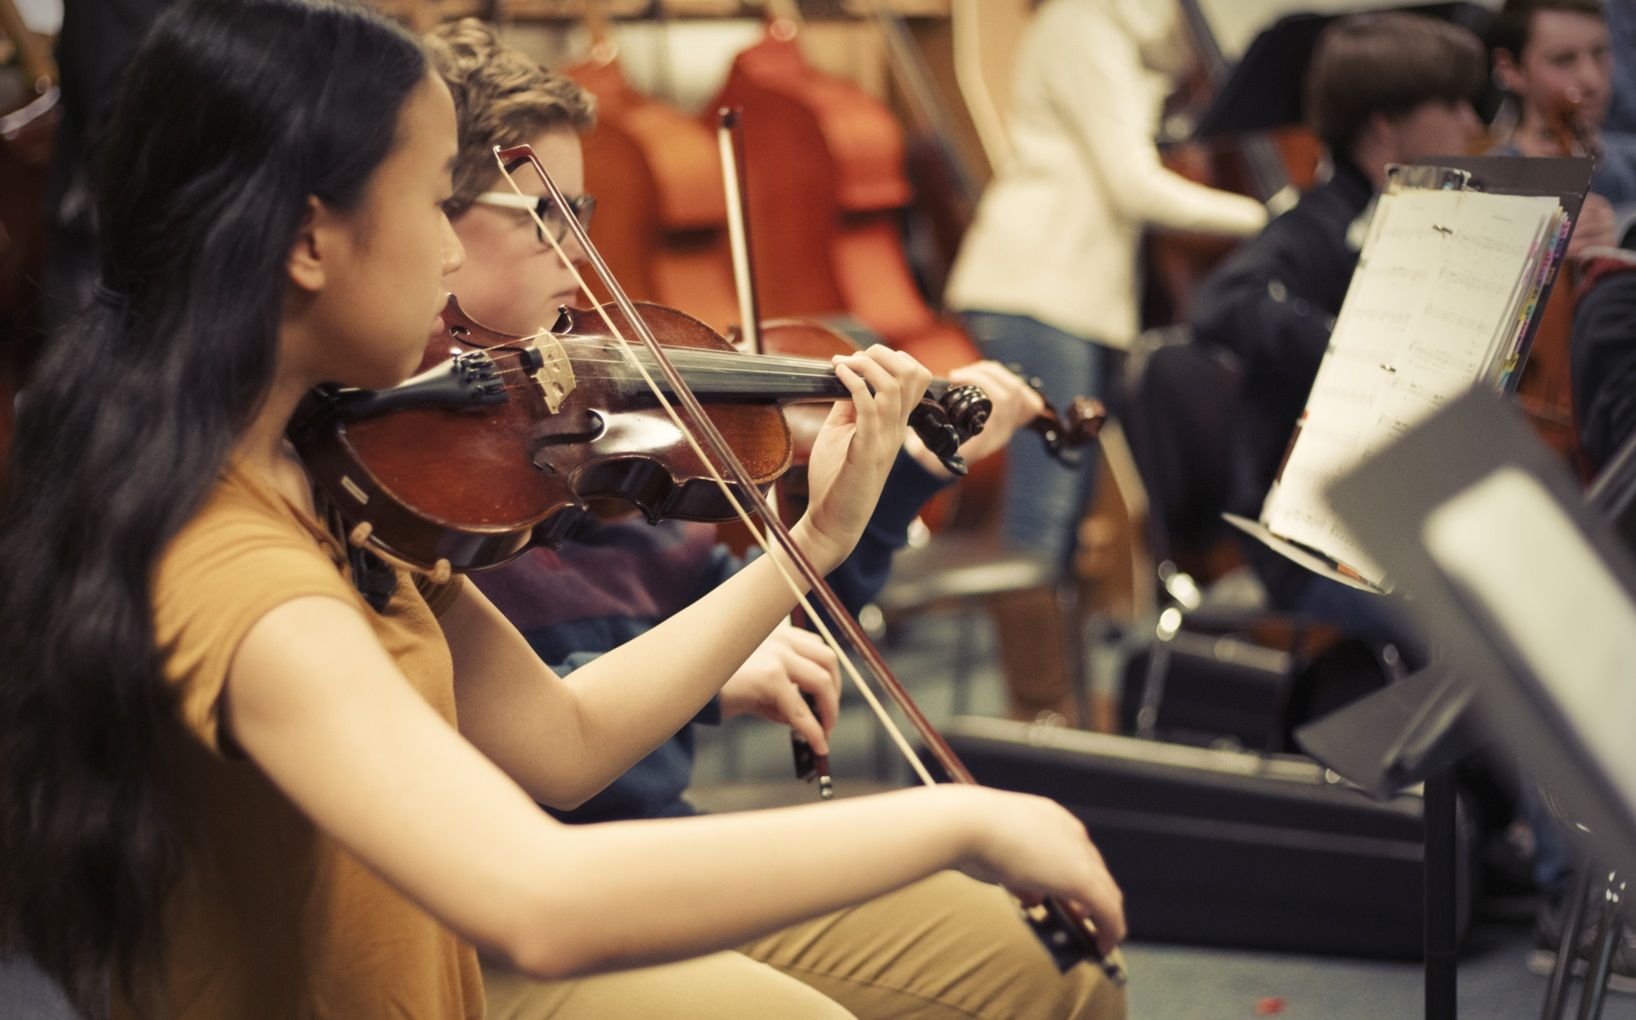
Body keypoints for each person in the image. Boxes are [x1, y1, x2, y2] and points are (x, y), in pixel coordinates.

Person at [0, 3, 1126, 1017]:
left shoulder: (322, 480)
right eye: (430, 198)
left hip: (441, 962)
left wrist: (818, 540)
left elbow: (562, 743)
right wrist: (965, 819)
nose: (446, 253)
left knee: (1026, 976)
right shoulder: (244, 575)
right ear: (306, 241)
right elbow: (539, 899)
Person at [426, 19, 1124, 1018]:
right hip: (520, 886)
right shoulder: (396, 473)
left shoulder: (595, 436)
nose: (576, 249)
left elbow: (787, 631)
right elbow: (509, 734)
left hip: (657, 843)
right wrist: (702, 673)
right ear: (424, 220)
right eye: (540, 214)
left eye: (579, 209)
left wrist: (873, 494)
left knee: (1050, 964)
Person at [1188, 11, 1485, 646]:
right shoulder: (1315, 224)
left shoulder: (1447, 219)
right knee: (1478, 633)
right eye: (1453, 103)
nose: (1473, 123)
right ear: (1385, 127)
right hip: (1311, 545)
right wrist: (1364, 354)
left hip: (1403, 520)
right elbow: (1223, 302)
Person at [945, 0, 1267, 570]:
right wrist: (1266, 219)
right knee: (1045, 514)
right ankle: (1039, 659)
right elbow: (1133, 185)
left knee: (1062, 517)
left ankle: (1056, 654)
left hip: (1067, 297)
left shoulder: (1121, 38)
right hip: (1037, 289)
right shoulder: (1082, 26)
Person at [1490, 0, 1634, 249]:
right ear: (1510, 68)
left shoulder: (1630, 159)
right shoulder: (1486, 184)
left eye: (1600, 54)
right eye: (1564, 60)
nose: (1591, 80)